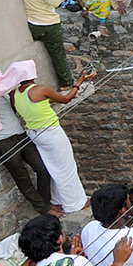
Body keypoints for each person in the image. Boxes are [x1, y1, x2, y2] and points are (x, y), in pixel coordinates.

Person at [12, 68, 95, 214]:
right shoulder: (40, 89)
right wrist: (79, 82)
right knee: (66, 167)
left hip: (35, 134)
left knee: (53, 167)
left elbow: (30, 106)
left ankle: (57, 199)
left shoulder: (15, 94)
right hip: (50, 132)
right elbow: (66, 99)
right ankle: (74, 203)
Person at [0, 71, 53, 215]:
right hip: (1, 142)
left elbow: (13, 109)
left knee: (43, 168)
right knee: (22, 178)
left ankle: (46, 203)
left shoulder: (1, 91)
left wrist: (10, 91)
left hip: (20, 135)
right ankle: (44, 209)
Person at [17, 0, 73, 87]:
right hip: (48, 23)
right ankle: (66, 84)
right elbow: (54, 1)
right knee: (58, 56)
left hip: (32, 22)